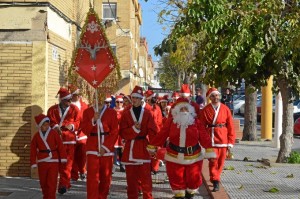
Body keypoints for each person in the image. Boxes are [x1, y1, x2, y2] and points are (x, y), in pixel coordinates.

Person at [147, 98, 213, 199]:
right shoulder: (171, 122)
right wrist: (153, 146)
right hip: (174, 156)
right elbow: (162, 134)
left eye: (186, 109)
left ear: (190, 110)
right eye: (181, 109)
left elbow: (204, 136)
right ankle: (179, 195)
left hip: (193, 156)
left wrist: (209, 149)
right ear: (176, 111)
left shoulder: (196, 122)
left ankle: (190, 193)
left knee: (193, 179)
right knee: (176, 179)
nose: (183, 111)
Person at [119, 85, 158, 199]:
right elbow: (122, 132)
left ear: (141, 99)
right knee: (131, 181)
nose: (135, 100)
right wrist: (134, 129)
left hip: (143, 147)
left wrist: (153, 146)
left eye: (137, 98)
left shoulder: (147, 113)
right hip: (130, 148)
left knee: (146, 180)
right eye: (133, 97)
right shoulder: (126, 113)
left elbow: (153, 131)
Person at [81, 94, 119, 199]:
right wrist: (93, 120)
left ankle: (102, 197)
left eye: (102, 98)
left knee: (106, 177)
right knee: (92, 177)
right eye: (97, 97)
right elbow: (84, 129)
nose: (99, 100)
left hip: (107, 148)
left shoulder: (111, 112)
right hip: (92, 147)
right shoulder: (87, 112)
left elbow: (115, 131)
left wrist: (105, 147)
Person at [200, 87, 236, 192]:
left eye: (217, 95)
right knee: (213, 161)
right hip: (211, 139)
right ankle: (215, 181)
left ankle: (216, 178)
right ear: (209, 98)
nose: (216, 97)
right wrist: (203, 141)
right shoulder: (206, 110)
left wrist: (230, 142)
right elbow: (202, 127)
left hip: (223, 139)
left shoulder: (225, 109)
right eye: (213, 96)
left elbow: (230, 126)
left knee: (221, 162)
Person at [47, 88, 80, 194]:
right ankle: (66, 183)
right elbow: (50, 121)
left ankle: (63, 185)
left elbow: (79, 121)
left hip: (69, 140)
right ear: (61, 100)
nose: (70, 102)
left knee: (67, 163)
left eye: (70, 100)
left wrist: (73, 126)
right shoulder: (52, 109)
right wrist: (55, 126)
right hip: (56, 140)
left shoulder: (74, 109)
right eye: (67, 100)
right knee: (58, 164)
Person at [30, 114, 67, 199]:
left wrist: (63, 158)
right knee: (43, 183)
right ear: (40, 125)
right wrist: (33, 163)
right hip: (42, 161)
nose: (47, 126)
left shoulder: (54, 133)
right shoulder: (36, 136)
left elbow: (60, 146)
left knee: (52, 183)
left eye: (48, 125)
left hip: (53, 161)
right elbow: (33, 150)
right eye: (44, 125)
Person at [68, 85, 89, 182]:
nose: (77, 96)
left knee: (82, 154)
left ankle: (82, 171)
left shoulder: (84, 105)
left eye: (78, 95)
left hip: (82, 133)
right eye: (75, 95)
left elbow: (87, 118)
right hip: (70, 134)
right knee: (72, 155)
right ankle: (74, 175)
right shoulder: (68, 106)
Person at [144, 90, 163, 174]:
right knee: (148, 151)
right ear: (148, 99)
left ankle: (155, 168)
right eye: (153, 97)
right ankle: (148, 167)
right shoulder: (145, 108)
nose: (155, 99)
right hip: (147, 134)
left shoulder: (157, 108)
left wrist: (160, 132)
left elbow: (160, 121)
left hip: (156, 133)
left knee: (156, 151)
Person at [114, 95, 125, 172]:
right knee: (114, 149)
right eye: (117, 102)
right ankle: (113, 165)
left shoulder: (125, 111)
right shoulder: (112, 110)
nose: (119, 103)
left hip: (122, 132)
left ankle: (122, 165)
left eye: (121, 102)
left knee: (122, 149)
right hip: (114, 132)